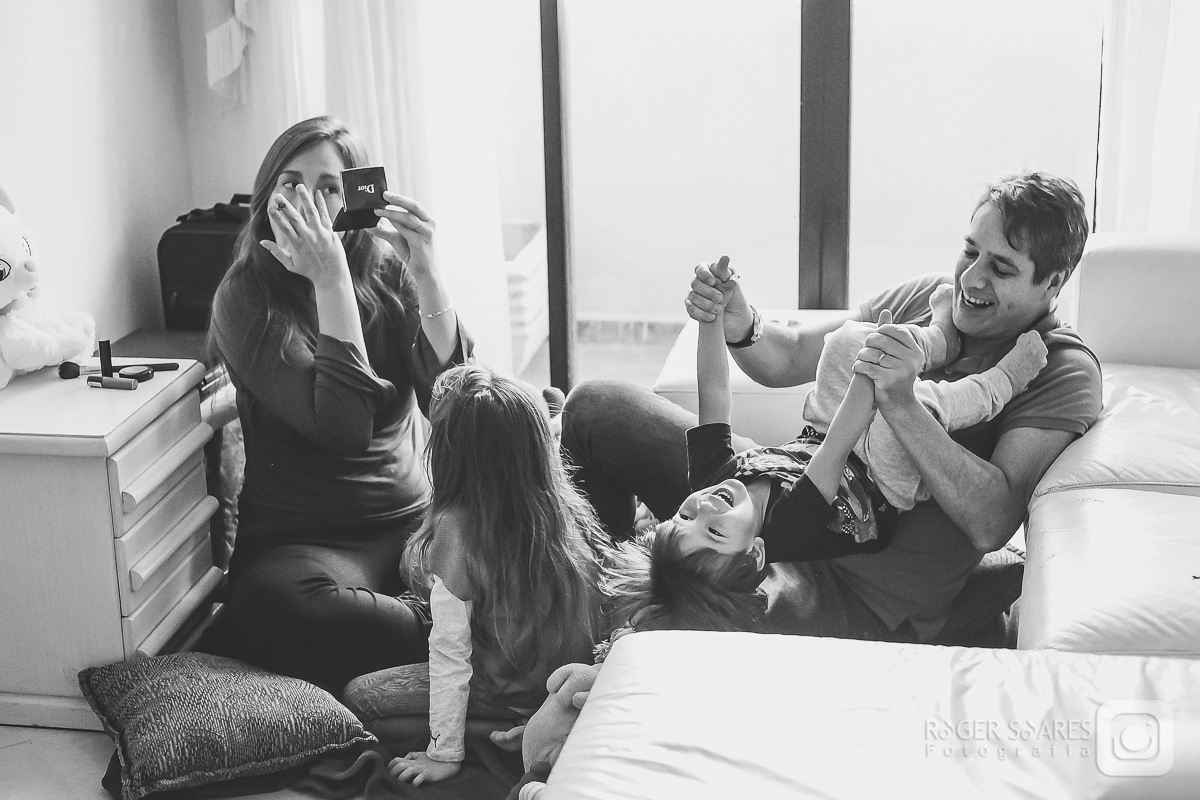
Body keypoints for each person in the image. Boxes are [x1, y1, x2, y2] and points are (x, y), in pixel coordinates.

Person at [561, 170, 1102, 644]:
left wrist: (898, 401)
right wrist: (737, 323)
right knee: (595, 407)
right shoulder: (930, 296)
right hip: (778, 486)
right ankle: (603, 582)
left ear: (1052, 282)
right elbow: (792, 355)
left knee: (680, 621)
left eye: (1001, 268)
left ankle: (594, 649)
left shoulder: (1061, 370)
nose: (970, 278)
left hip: (863, 584)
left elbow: (991, 521)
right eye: (969, 251)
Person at [205, 116, 473, 693]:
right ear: (268, 194)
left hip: (410, 525)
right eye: (291, 181)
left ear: (354, 198)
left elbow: (454, 402)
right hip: (305, 545)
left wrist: (428, 272)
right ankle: (455, 624)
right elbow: (344, 429)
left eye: (329, 186)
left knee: (516, 538)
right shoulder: (246, 294)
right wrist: (330, 283)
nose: (308, 200)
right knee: (285, 609)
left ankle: (439, 621)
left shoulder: (385, 268)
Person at [347, 365, 605, 787]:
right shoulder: (562, 506)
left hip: (507, 690)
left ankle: (489, 735)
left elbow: (449, 654)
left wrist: (442, 753)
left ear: (452, 456)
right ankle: (533, 726)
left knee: (360, 697)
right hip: (556, 683)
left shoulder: (458, 528)